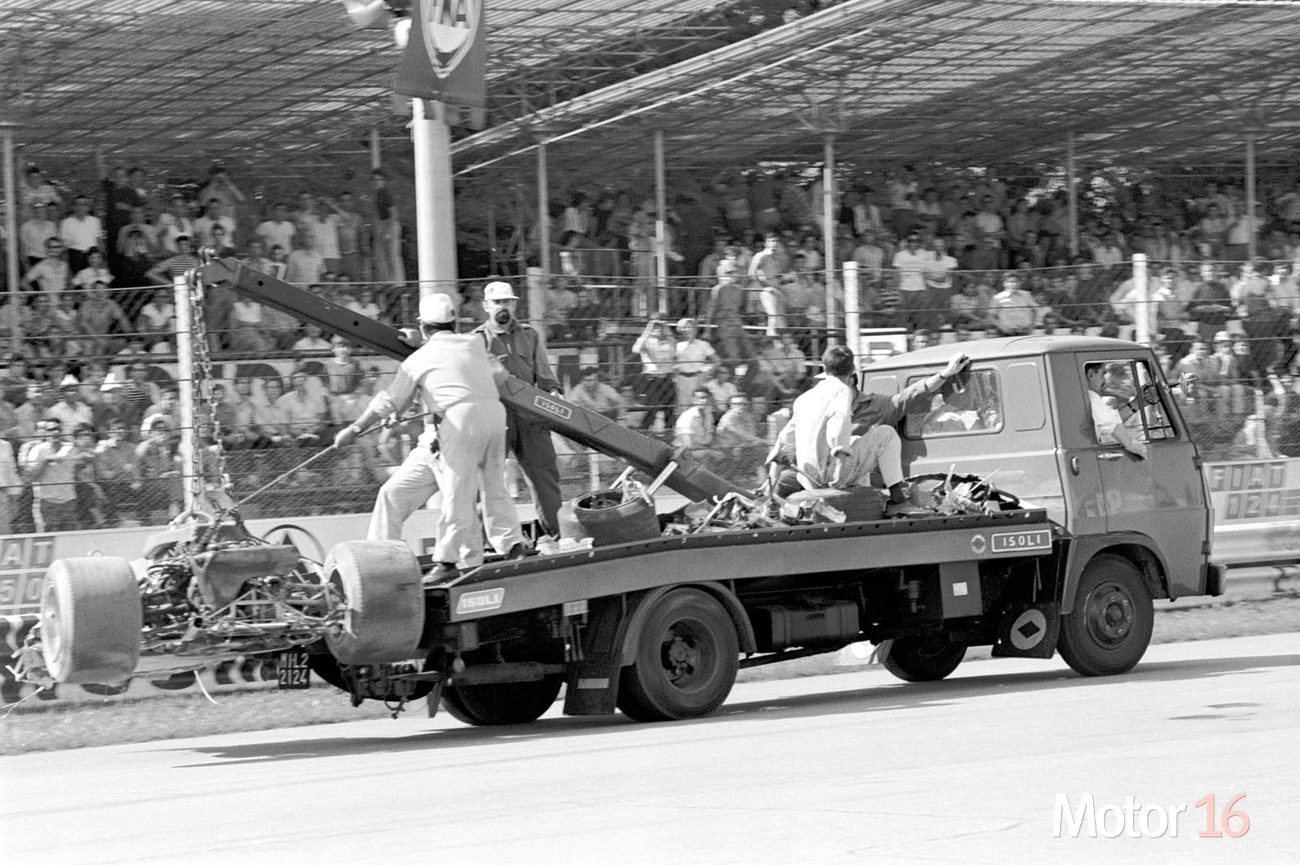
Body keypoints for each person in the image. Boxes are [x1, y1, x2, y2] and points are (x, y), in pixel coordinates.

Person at [335, 293, 526, 581]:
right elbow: (500, 376)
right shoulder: (474, 343)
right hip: (479, 421)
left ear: (423, 326)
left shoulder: (418, 359)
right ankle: (512, 545)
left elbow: (389, 401)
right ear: (454, 323)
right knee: (399, 494)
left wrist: (355, 429)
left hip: (456, 424)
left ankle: (450, 563)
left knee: (458, 496)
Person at [772, 346, 972, 502]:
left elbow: (910, 396)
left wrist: (945, 374)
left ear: (850, 379)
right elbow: (826, 433)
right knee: (787, 478)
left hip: (839, 476)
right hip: (830, 473)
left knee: (867, 438)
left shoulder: (874, 405)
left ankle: (893, 496)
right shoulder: (831, 395)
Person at [472, 280, 564, 540]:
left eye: (508, 302)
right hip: (494, 416)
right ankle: (481, 540)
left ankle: (558, 535)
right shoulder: (476, 340)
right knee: (486, 479)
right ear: (486, 306)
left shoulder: (529, 335)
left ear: (514, 305)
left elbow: (545, 377)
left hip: (531, 417)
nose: (503, 307)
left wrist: (554, 393)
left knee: (544, 475)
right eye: (497, 302)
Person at [1084, 361, 1147, 459]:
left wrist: (1137, 403)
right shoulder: (1091, 397)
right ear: (1091, 374)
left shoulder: (1083, 399)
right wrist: (1130, 444)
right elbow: (1109, 422)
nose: (1105, 381)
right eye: (1102, 374)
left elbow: (1111, 421)